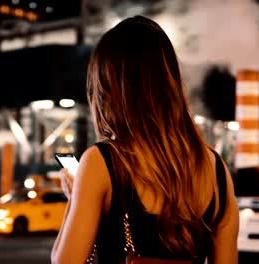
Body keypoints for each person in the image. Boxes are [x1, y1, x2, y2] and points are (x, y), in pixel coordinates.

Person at [51, 16, 239, 264]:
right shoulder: (217, 173)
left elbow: (64, 262)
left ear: (108, 89)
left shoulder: (102, 163)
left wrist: (76, 198)